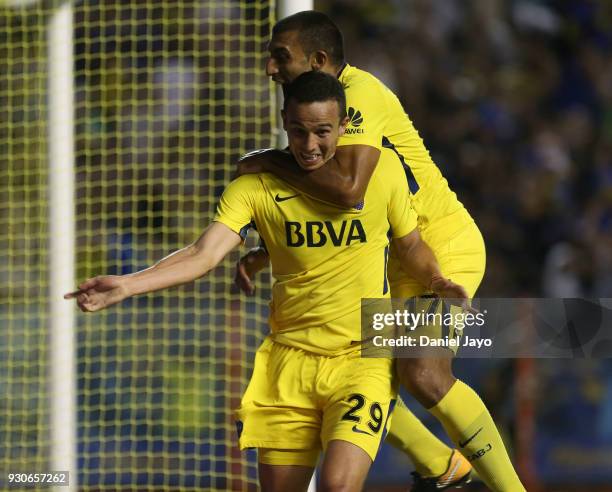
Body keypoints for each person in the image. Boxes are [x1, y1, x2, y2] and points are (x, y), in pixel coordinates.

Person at [65, 71, 470, 492]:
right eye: (298, 131)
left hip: (361, 359)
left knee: (337, 485)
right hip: (287, 362)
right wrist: (129, 284)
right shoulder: (254, 188)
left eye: (322, 132)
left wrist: (437, 280)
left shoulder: (380, 173)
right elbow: (202, 255)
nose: (309, 145)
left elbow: (410, 246)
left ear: (344, 125)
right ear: (283, 122)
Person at [235, 11, 526, 492]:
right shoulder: (313, 110)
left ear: (320, 59)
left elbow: (349, 190)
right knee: (350, 368)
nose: (270, 67)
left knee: (422, 370)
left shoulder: (360, 95)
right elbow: (327, 208)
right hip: (386, 258)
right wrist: (266, 252)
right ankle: (442, 464)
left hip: (437, 246)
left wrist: (265, 161)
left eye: (280, 56)